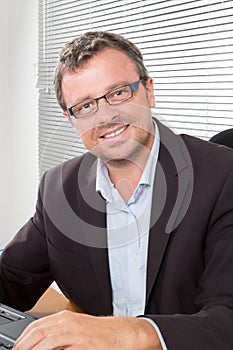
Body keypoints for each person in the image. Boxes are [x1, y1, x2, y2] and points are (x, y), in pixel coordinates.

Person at [0, 31, 232, 350]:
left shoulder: (223, 176)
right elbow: (11, 279)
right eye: (84, 106)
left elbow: (227, 320)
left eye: (119, 93)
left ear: (148, 91)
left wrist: (127, 333)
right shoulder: (59, 189)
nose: (105, 116)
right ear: (71, 119)